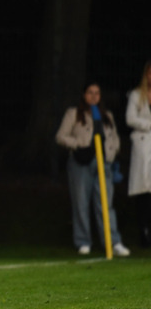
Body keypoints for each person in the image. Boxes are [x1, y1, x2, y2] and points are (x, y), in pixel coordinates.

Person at [54, 82, 129, 257]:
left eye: (97, 93)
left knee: (105, 204)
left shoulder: (107, 115)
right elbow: (61, 136)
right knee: (80, 203)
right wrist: (79, 145)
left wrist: (111, 153)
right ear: (83, 94)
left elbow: (115, 139)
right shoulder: (73, 114)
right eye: (90, 92)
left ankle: (113, 241)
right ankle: (83, 241)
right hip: (81, 163)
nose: (94, 96)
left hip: (104, 163)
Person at [126, 60, 151, 248]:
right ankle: (143, 231)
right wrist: (148, 125)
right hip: (143, 145)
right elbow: (130, 119)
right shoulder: (136, 95)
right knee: (143, 191)